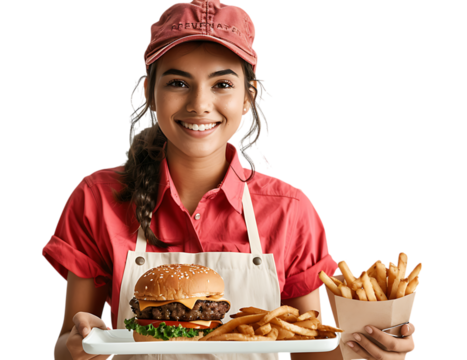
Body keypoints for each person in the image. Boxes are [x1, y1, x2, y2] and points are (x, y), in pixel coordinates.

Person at [42, 1, 416, 359]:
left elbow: (309, 348)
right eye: (178, 83)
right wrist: (79, 346)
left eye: (222, 84)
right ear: (149, 94)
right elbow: (67, 343)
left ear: (248, 98)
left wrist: (368, 351)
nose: (199, 104)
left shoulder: (291, 210)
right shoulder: (96, 197)